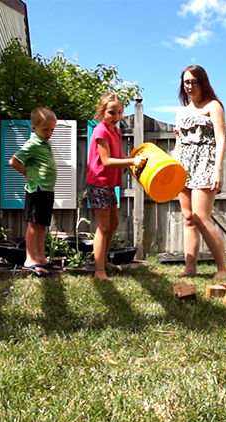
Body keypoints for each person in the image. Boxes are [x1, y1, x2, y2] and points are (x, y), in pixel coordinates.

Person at [173, 65, 226, 280]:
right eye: (186, 82)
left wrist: (217, 170)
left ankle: (223, 268)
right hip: (184, 166)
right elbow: (179, 144)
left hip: (205, 163)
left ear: (203, 83)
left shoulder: (213, 106)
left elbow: (221, 138)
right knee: (188, 218)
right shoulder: (181, 112)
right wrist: (172, 167)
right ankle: (190, 268)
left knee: (200, 217)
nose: (190, 86)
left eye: (194, 82)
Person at [86, 93, 147, 281]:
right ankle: (98, 270)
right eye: (112, 112)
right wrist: (132, 161)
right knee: (103, 227)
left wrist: (134, 160)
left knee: (113, 224)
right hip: (99, 182)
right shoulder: (101, 131)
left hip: (110, 183)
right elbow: (106, 161)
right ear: (102, 112)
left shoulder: (116, 130)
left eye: (120, 112)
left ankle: (103, 261)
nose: (117, 116)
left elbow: (118, 156)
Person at [9, 106, 60, 277]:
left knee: (41, 225)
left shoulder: (44, 144)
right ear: (34, 128)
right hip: (36, 189)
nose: (49, 133)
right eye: (45, 129)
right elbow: (13, 161)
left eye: (52, 129)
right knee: (33, 224)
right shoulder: (32, 144)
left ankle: (41, 257)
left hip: (46, 189)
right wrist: (27, 173)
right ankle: (30, 259)